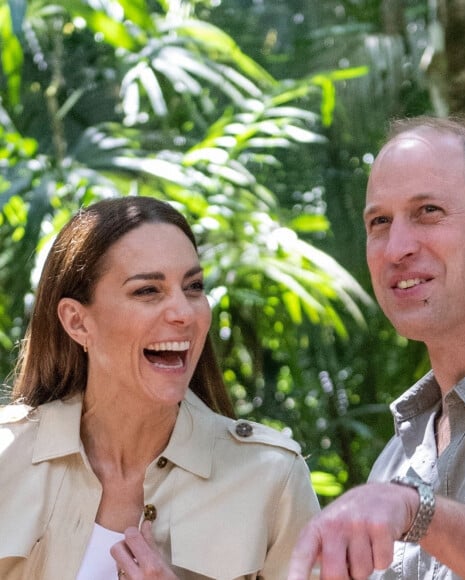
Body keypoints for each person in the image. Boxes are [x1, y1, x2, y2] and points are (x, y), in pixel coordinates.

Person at [288, 117, 465, 579]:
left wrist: (419, 513)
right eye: (380, 222)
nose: (396, 247)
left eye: (428, 211)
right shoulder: (396, 460)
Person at [0, 196, 319, 579]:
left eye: (194, 286)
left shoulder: (272, 478)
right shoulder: (6, 457)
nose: (184, 313)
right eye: (147, 291)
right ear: (77, 321)